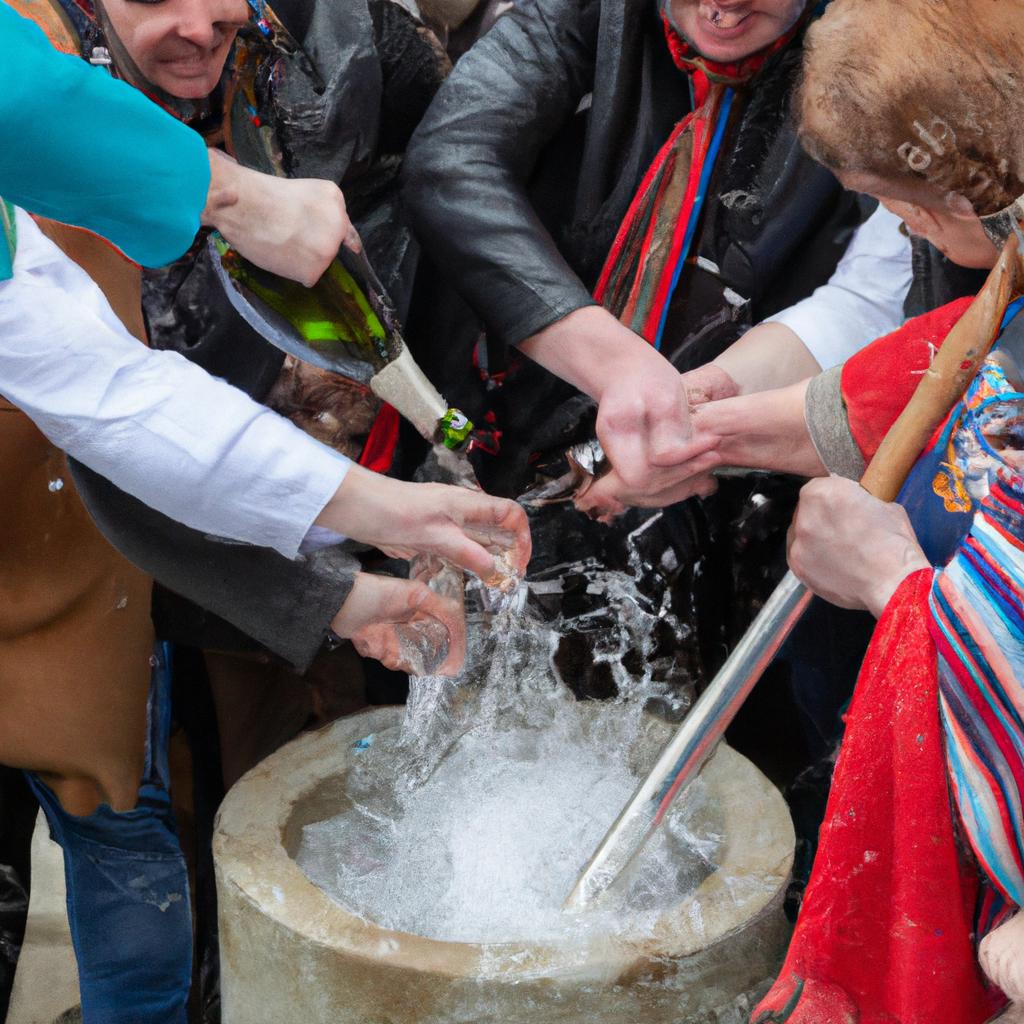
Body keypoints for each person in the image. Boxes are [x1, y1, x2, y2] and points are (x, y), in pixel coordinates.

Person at [638, 0, 1024, 1016]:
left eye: (908, 203)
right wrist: (716, 426)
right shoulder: (1009, 272)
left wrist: (891, 583)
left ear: (977, 188)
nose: (901, 228)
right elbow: (943, 366)